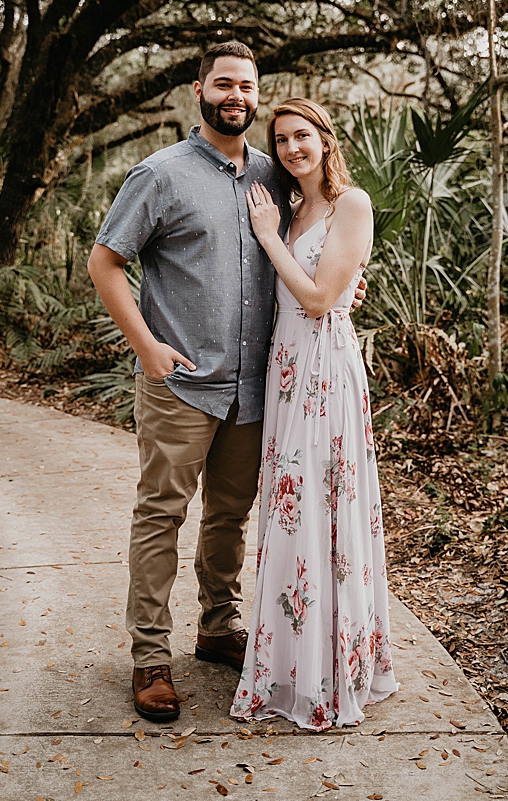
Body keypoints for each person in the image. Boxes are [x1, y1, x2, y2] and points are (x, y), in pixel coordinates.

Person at [91, 42, 349, 722]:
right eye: (224, 83)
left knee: (230, 515)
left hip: (255, 387)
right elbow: (105, 262)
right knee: (161, 514)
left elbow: (322, 250)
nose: (236, 95)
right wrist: (146, 346)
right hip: (181, 382)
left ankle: (216, 626)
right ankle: (151, 656)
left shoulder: (276, 173)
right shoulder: (161, 174)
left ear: (257, 96)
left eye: (247, 86)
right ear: (200, 88)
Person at [229, 97, 397, 730]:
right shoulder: (295, 208)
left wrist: (269, 239)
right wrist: (280, 231)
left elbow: (323, 299)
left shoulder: (351, 204)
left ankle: (330, 668)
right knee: (287, 508)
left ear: (326, 140)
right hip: (285, 369)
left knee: (321, 507)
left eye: (302, 136)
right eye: (281, 141)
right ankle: (290, 661)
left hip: (325, 369)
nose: (292, 148)